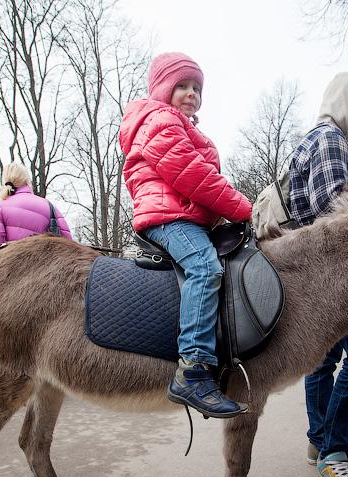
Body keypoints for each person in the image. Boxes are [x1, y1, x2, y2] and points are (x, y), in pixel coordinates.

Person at [119, 52, 253, 419]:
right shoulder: (160, 120)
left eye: (197, 87)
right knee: (205, 267)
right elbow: (193, 175)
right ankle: (192, 370)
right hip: (168, 216)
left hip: (185, 214)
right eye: (182, 85)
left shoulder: (182, 124)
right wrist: (241, 207)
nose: (191, 93)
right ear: (163, 88)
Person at [289, 72, 348, 477]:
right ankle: (332, 449)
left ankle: (320, 439)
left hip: (311, 274)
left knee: (322, 363)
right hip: (331, 278)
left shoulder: (318, 137)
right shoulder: (330, 139)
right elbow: (334, 212)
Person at [0, 162, 72, 248]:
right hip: (47, 262)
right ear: (27, 180)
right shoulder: (50, 207)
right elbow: (68, 245)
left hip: (13, 262)